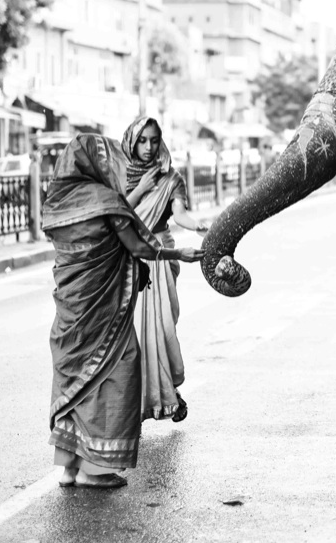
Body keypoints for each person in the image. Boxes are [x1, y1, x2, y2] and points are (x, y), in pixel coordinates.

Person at [42, 133, 202, 489]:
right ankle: (94, 470)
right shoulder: (104, 200)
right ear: (98, 164)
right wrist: (180, 254)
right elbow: (137, 245)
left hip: (72, 311)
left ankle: (69, 465)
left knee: (77, 381)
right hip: (102, 313)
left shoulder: (56, 202)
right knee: (121, 367)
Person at [122, 116, 208, 424]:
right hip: (130, 256)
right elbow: (115, 214)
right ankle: (134, 402)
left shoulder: (171, 178)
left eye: (154, 140)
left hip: (160, 253)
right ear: (132, 142)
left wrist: (200, 226)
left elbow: (180, 214)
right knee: (131, 333)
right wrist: (140, 188)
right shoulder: (121, 173)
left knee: (161, 327)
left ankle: (165, 395)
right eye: (142, 140)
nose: (148, 147)